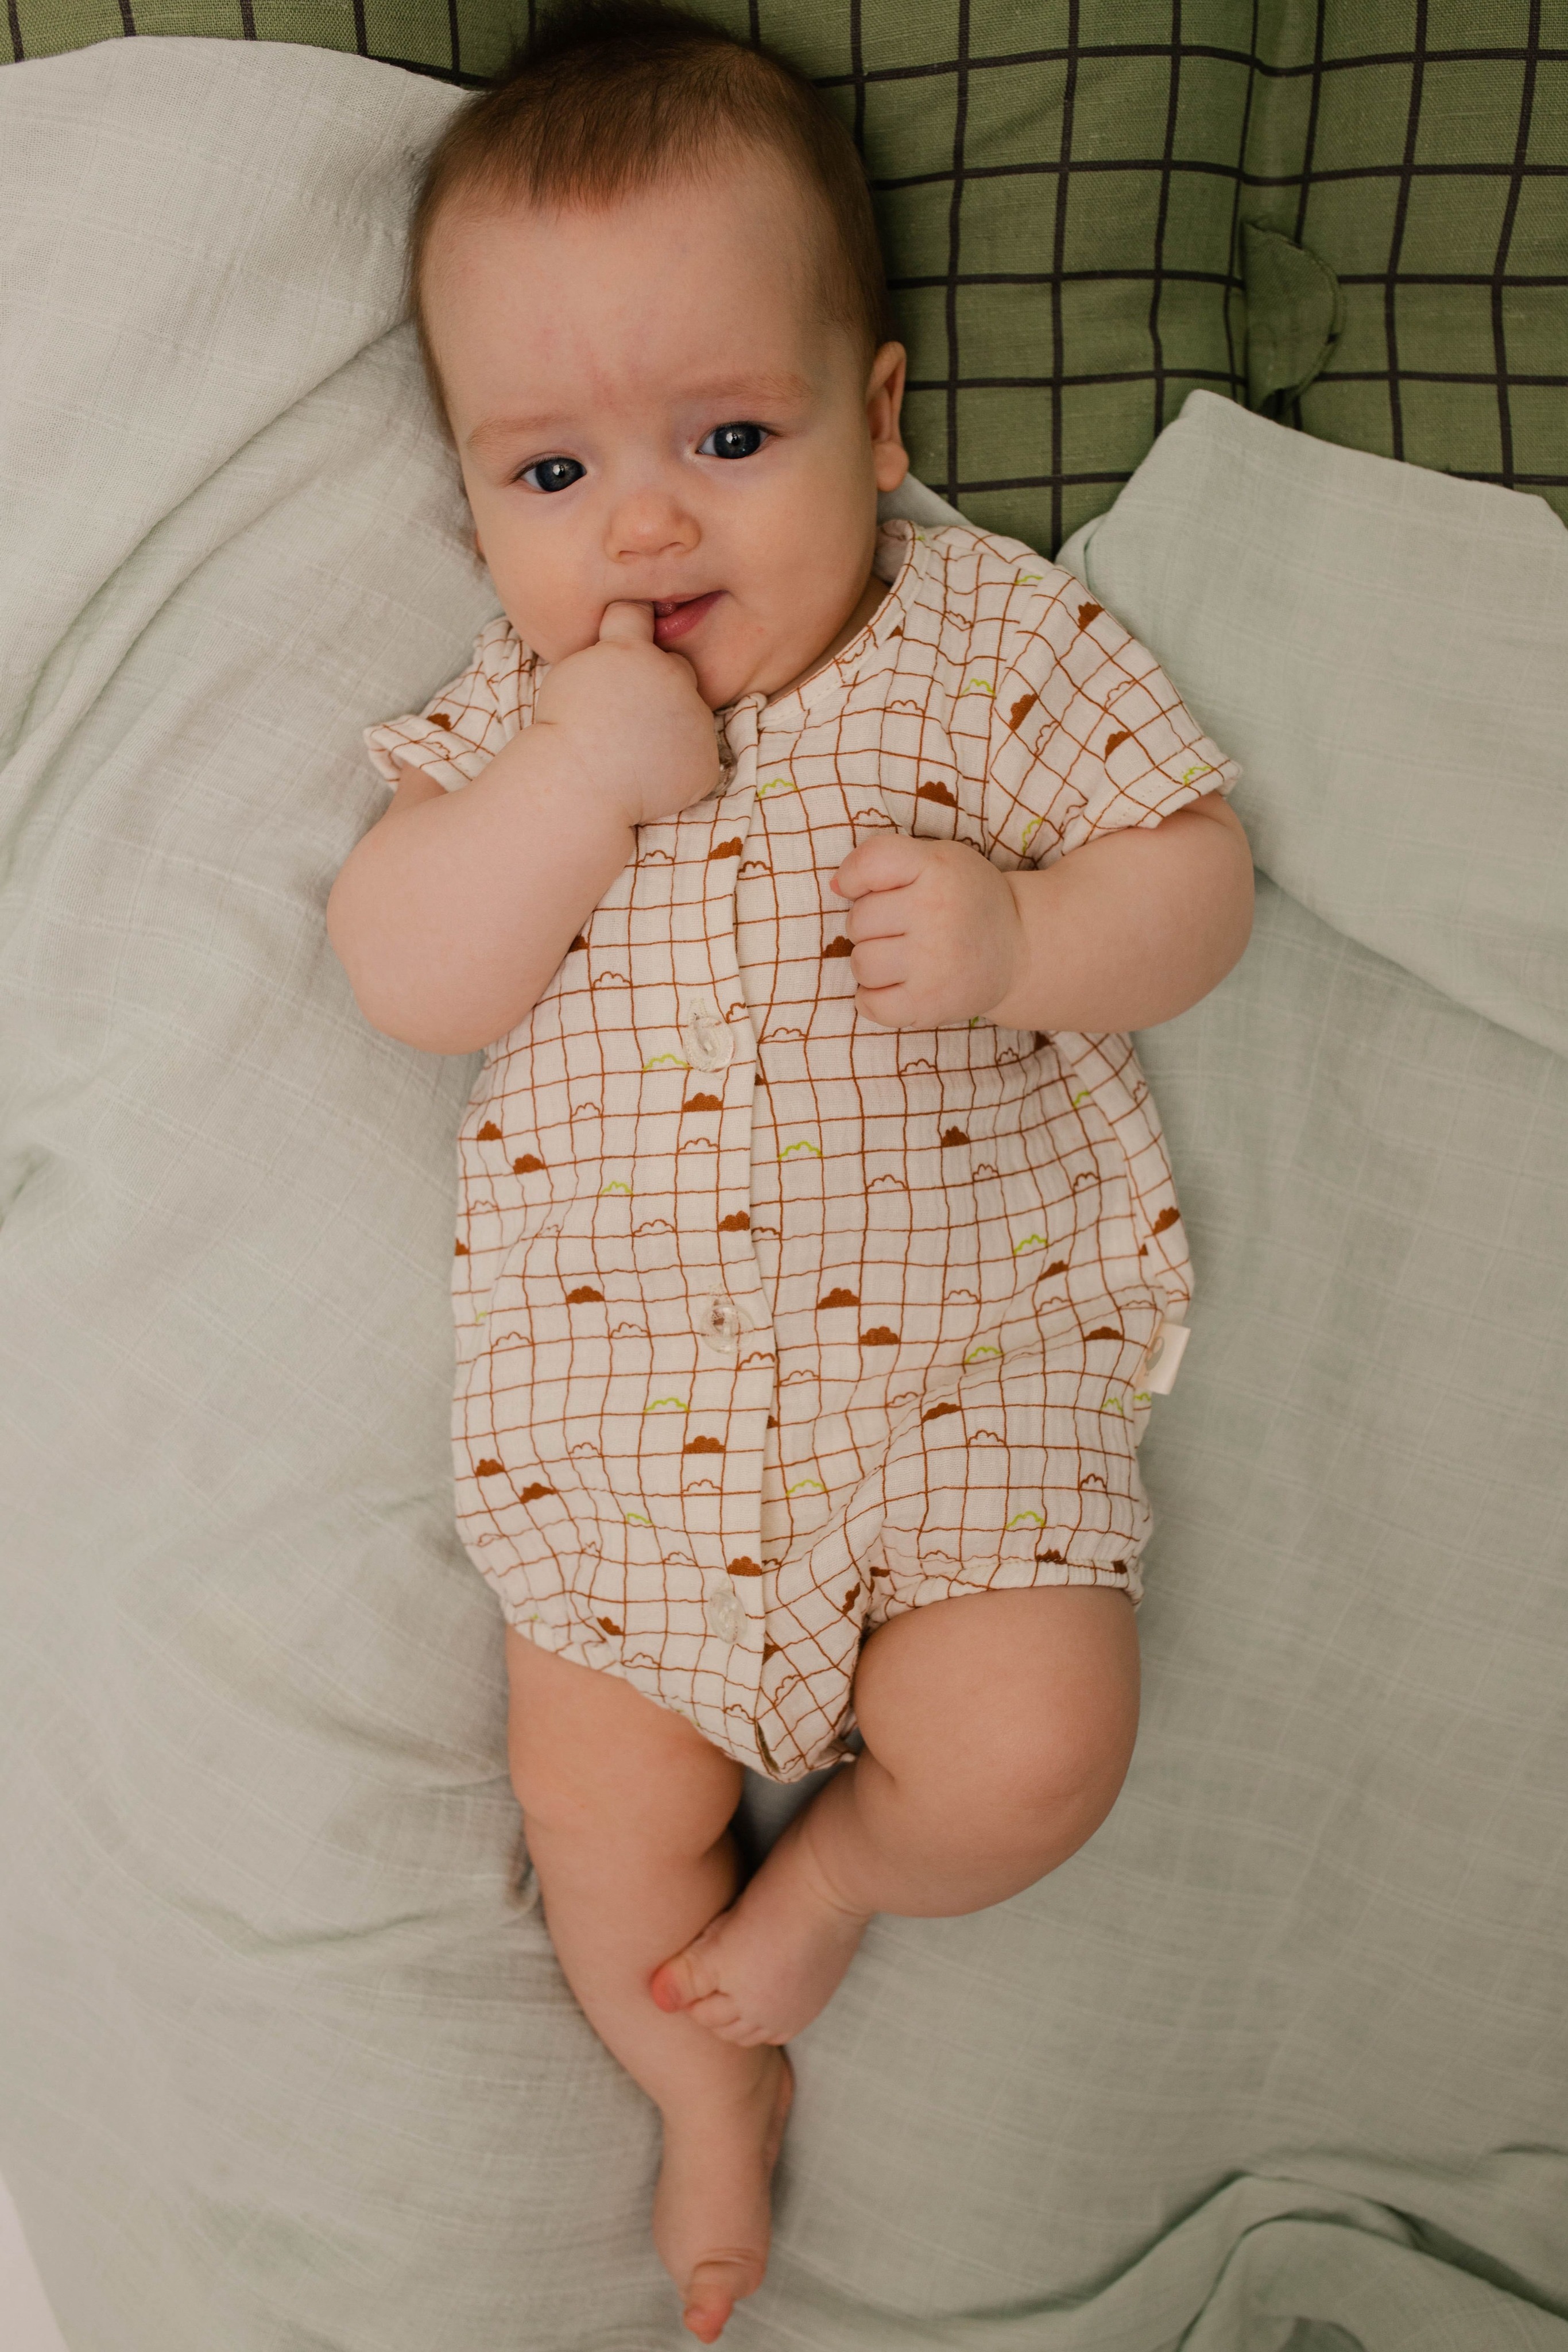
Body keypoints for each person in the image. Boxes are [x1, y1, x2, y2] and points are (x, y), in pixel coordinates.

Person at [327, 4, 1253, 2336]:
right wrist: (572, 780)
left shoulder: (980, 644)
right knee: (592, 1827)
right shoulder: (515, 719)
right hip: (619, 1456)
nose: (643, 524)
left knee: (1037, 1754)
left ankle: (831, 1881)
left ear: (879, 419)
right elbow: (405, 971)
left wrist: (1028, 937)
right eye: (552, 472)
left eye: (728, 438)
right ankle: (698, 2091)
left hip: (965, 1405)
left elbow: (1193, 880)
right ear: (470, 498)